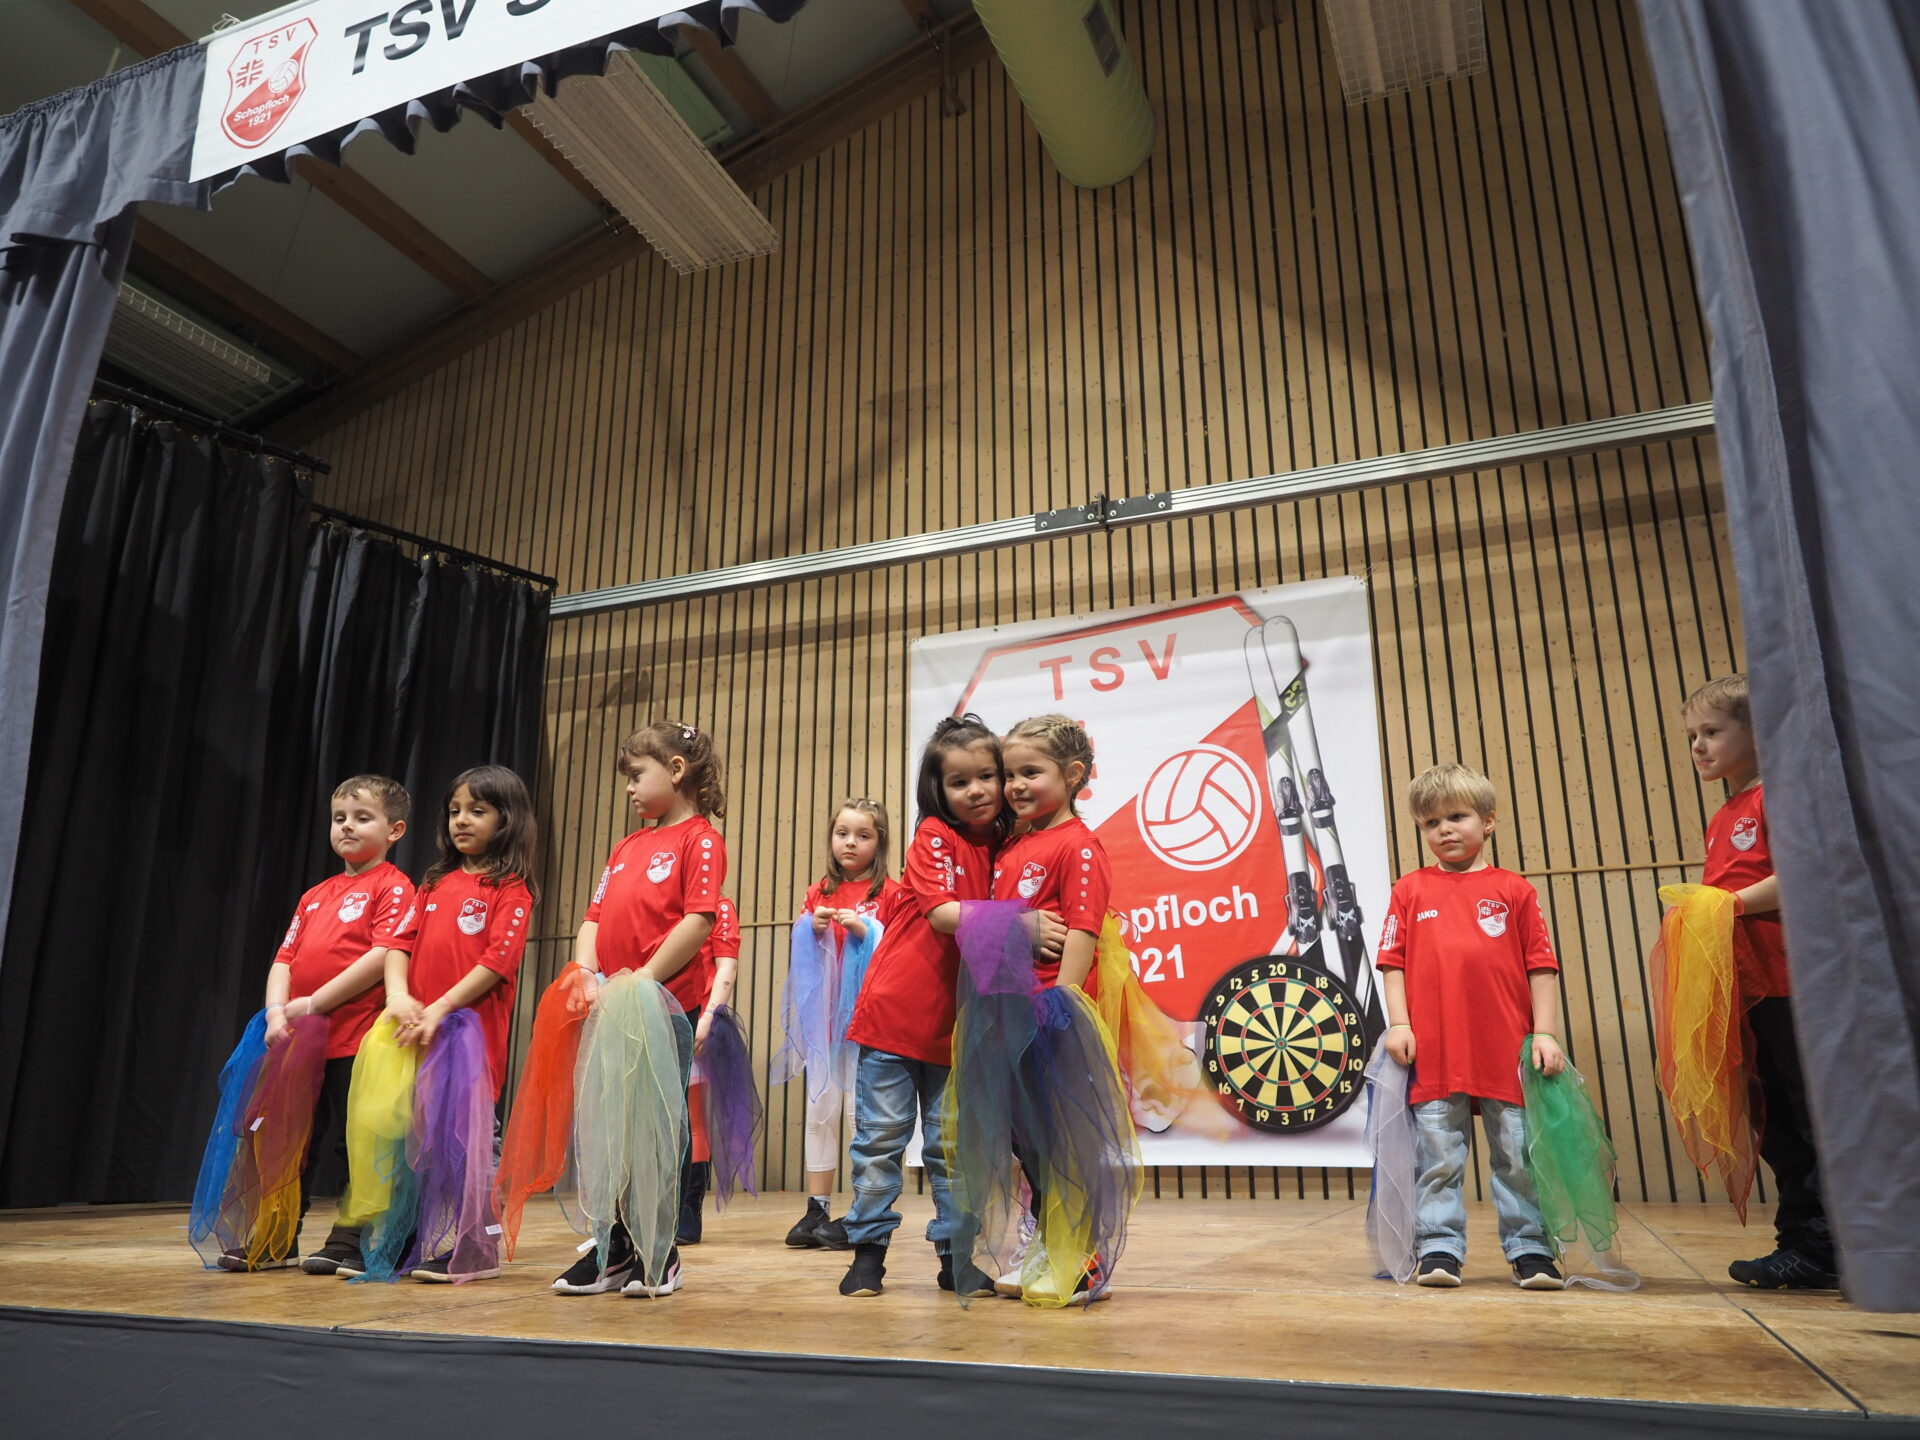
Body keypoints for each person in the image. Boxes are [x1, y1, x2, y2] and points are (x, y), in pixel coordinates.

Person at [836, 716, 1061, 1298]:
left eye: (987, 775)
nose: (978, 790)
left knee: (952, 1151)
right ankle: (867, 1255)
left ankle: (954, 1259)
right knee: (880, 1141)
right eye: (960, 782)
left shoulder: (1012, 846)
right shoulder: (933, 836)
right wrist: (1022, 924)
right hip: (894, 1020)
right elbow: (941, 916)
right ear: (938, 789)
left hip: (959, 1031)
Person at [213, 775, 414, 1275]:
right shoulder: (315, 895)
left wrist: (314, 1003)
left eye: (362, 818)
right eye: (339, 817)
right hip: (299, 1041)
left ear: (395, 830)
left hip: (358, 1039)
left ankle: (350, 1238)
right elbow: (284, 958)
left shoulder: (393, 886)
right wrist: (276, 1010)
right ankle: (277, 1236)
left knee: (357, 1142)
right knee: (287, 1140)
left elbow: (383, 955)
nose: (347, 826)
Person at [553, 721, 727, 1298]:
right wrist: (586, 970)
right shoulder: (626, 846)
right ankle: (615, 1247)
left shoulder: (700, 839)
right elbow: (594, 917)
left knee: (656, 1125)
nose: (628, 788)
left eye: (635, 775)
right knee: (611, 1124)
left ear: (676, 771)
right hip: (612, 1000)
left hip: (661, 1003)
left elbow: (698, 920)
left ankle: (660, 1250)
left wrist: (644, 980)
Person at [1377, 763, 1567, 1290]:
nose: (1443, 829)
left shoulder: (1514, 889)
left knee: (1518, 1153)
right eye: (1430, 822)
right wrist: (1399, 1024)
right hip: (1434, 1052)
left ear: (1488, 821)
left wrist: (1545, 1033)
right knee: (1437, 1155)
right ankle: (1439, 1247)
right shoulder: (1409, 890)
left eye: (1456, 817)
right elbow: (1392, 963)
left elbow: (1542, 966)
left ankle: (1531, 1249)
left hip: (1505, 1049)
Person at [1683, 674, 1835, 1289]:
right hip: (1745, 989)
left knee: (1808, 1112)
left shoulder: (1778, 798)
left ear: (1759, 731)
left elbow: (1804, 873)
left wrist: (1729, 904)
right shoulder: (1723, 815)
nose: (1698, 746)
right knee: (1769, 1116)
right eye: (1692, 736)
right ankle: (1801, 1239)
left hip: (1791, 984)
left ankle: (1829, 1241)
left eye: (1712, 732)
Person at [778, 799, 902, 1247]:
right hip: (825, 1024)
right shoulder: (819, 892)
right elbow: (802, 951)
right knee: (819, 1112)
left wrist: (866, 931)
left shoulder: (892, 894)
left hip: (868, 1024)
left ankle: (863, 1209)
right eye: (842, 833)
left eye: (863, 835)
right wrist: (810, 928)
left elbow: (898, 955)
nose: (850, 843)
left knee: (859, 1115)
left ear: (879, 842)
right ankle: (818, 1207)